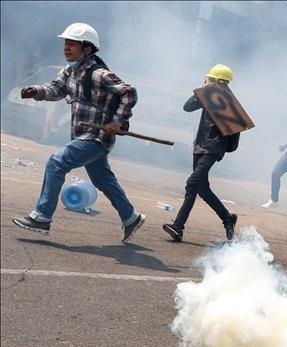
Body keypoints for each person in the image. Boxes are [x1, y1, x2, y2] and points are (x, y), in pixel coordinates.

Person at [12, 23, 146, 242]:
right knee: (102, 179)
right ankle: (131, 218)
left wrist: (117, 121)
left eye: (72, 44)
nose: (66, 48)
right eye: (65, 43)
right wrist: (35, 91)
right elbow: (55, 90)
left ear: (87, 49)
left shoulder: (98, 74)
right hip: (82, 135)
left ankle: (42, 216)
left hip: (96, 137)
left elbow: (129, 92)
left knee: (56, 162)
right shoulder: (70, 71)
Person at [162, 64, 240, 242]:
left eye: (211, 79)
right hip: (200, 146)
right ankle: (228, 219)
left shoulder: (230, 104)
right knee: (202, 189)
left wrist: (222, 148)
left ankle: (178, 227)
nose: (208, 81)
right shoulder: (208, 96)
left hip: (213, 149)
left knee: (192, 183)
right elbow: (187, 107)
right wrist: (201, 91)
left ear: (219, 81)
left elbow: (235, 134)